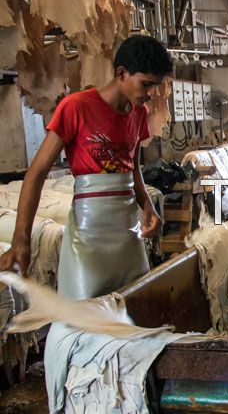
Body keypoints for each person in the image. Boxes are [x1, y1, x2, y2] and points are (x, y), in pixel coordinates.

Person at [0, 34, 172, 300]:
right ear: (122, 73)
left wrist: (147, 205)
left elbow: (132, 167)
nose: (151, 94)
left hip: (127, 229)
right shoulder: (76, 107)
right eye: (146, 84)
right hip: (89, 230)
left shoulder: (138, 115)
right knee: (85, 309)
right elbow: (36, 173)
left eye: (156, 86)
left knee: (133, 302)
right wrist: (21, 239)